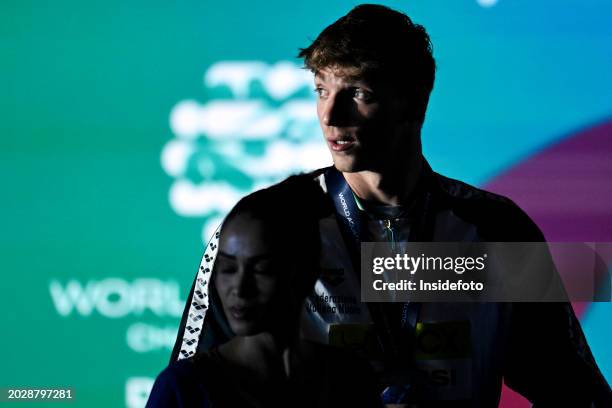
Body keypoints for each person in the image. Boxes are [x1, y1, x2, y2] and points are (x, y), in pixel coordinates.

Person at [172, 4, 611, 407]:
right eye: (321, 89)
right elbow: (194, 388)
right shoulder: (270, 225)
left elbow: (577, 394)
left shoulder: (496, 229)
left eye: (358, 92)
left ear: (414, 101)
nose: (331, 115)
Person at [150, 175, 381, 407]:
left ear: (306, 273)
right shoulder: (183, 387)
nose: (239, 289)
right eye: (228, 268)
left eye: (261, 270)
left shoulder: (350, 378)